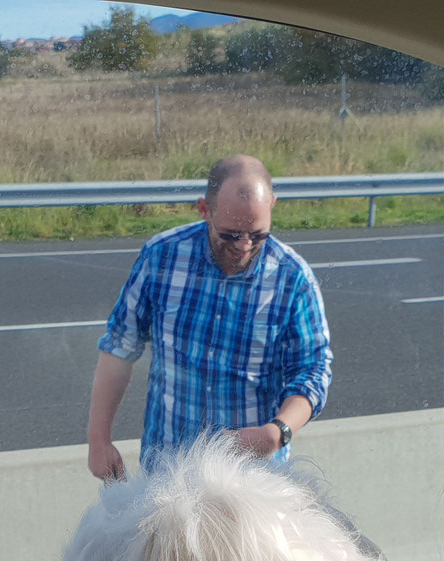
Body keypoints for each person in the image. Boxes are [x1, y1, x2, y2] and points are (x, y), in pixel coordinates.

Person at [85, 155, 333, 480]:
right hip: (170, 473)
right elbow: (120, 346)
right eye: (230, 234)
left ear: (272, 205)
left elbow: (313, 369)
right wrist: (98, 439)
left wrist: (278, 431)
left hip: (255, 484)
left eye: (258, 235)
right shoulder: (162, 257)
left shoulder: (293, 278)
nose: (244, 246)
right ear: (204, 210)